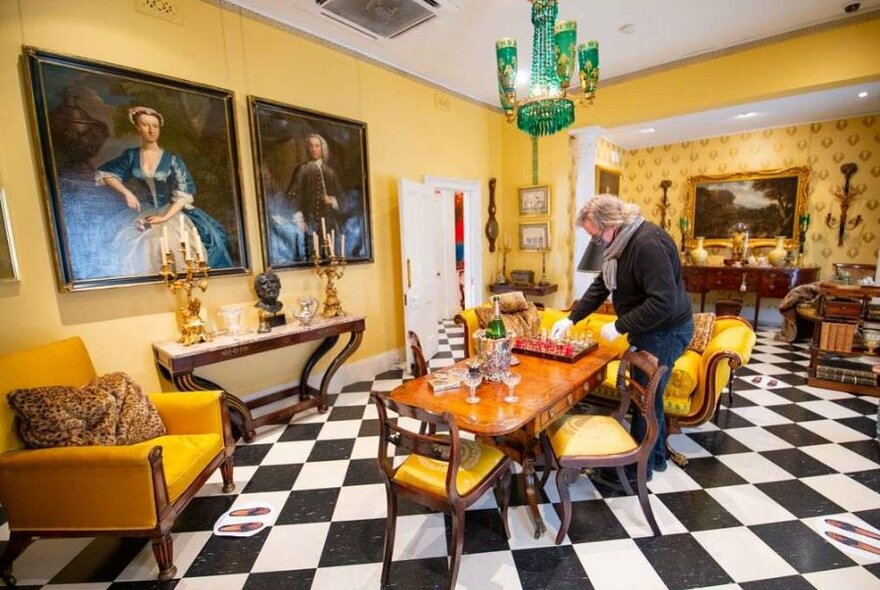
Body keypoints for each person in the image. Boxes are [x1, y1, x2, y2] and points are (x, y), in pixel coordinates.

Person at [551, 194, 694, 485]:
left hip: (666, 329)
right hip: (650, 328)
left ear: (610, 225)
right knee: (649, 398)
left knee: (645, 399)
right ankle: (656, 459)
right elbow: (602, 285)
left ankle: (635, 472)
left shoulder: (646, 244)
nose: (594, 241)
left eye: (594, 234)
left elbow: (662, 302)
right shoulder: (619, 244)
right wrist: (571, 317)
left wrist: (620, 326)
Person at [96, 106, 233, 274]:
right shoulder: (131, 155)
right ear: (138, 127)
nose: (151, 130)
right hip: (145, 210)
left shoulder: (171, 158)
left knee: (178, 247)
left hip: (171, 211)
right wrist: (127, 192)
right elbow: (106, 174)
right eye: (145, 125)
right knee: (134, 247)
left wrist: (164, 217)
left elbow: (182, 195)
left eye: (155, 125)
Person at [286, 133, 345, 244]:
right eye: (310, 146)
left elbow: (342, 197)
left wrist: (332, 201)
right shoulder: (302, 170)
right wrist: (299, 218)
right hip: (310, 224)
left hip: (330, 225)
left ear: (322, 148)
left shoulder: (330, 172)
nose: (313, 149)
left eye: (317, 146)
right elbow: (292, 196)